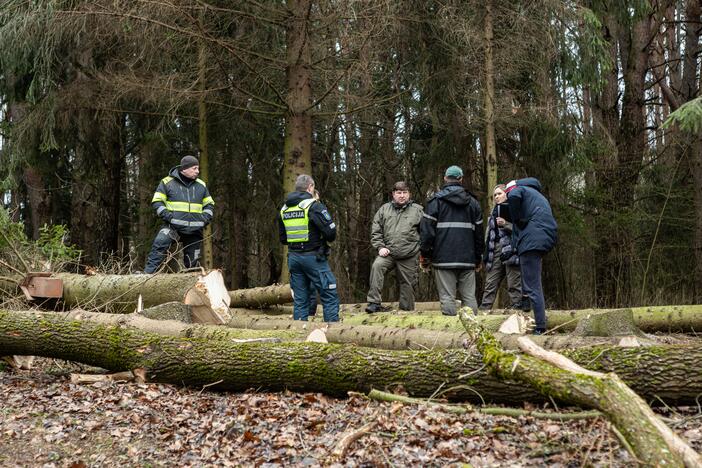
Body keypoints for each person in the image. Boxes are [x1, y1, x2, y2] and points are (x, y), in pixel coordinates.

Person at [420, 166, 484, 316]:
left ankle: (451, 335)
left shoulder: (435, 202)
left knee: (447, 297)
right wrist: (478, 258)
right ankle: (475, 334)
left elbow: (427, 233)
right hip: (467, 259)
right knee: (469, 297)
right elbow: (479, 234)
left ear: (445, 178)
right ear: (461, 179)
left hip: (443, 259)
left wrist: (426, 256)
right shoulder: (473, 203)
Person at [279, 174, 339, 322]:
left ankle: (299, 334)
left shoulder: (284, 209)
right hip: (313, 257)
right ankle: (332, 332)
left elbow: (283, 239)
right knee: (329, 293)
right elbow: (331, 233)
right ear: (310, 187)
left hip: (294, 258)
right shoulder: (313, 206)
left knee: (300, 299)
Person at [504, 177, 557, 335]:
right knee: (531, 280)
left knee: (532, 285)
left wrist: (516, 218)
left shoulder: (517, 190)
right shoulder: (537, 196)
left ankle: (540, 327)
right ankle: (530, 311)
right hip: (544, 238)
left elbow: (513, 198)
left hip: (532, 240)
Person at [144, 155, 214, 273]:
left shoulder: (201, 185)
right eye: (194, 168)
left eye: (198, 168)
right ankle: (146, 276)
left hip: (194, 230)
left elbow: (209, 204)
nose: (197, 171)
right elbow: (157, 201)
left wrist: (204, 219)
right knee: (159, 246)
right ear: (184, 169)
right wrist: (168, 217)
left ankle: (195, 286)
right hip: (172, 227)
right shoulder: (167, 182)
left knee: (193, 264)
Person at [365, 181, 424, 313]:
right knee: (377, 266)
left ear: (409, 194)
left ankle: (406, 311)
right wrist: (380, 247)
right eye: (399, 193)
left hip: (409, 254)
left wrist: (421, 250)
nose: (402, 196)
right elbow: (376, 230)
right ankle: (374, 303)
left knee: (408, 284)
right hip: (389, 252)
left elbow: (426, 232)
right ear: (393, 194)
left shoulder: (418, 210)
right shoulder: (384, 209)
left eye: (404, 192)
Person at [479, 184, 528, 310]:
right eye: (494, 195)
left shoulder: (515, 209)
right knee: (490, 283)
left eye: (499, 193)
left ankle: (517, 312)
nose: (496, 197)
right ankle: (484, 311)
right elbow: (488, 234)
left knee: (513, 284)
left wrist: (506, 224)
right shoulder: (494, 211)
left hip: (511, 250)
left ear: (506, 194)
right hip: (494, 251)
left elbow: (522, 230)